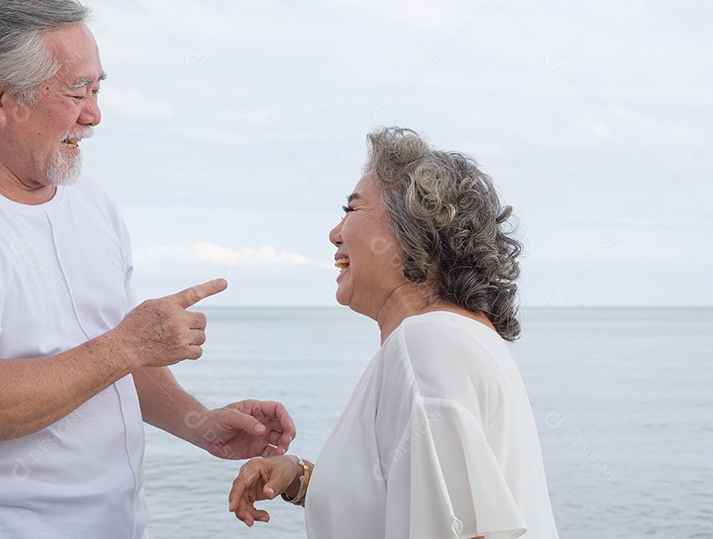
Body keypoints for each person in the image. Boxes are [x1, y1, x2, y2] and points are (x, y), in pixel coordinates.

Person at [0, 0, 295, 539]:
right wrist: (131, 340)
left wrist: (201, 424)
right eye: (77, 91)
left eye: (98, 89)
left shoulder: (89, 201)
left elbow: (106, 361)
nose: (95, 115)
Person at [229, 127, 559, 538]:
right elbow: (427, 507)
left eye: (351, 211)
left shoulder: (424, 347)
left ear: (411, 231)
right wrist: (300, 480)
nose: (334, 233)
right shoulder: (455, 341)